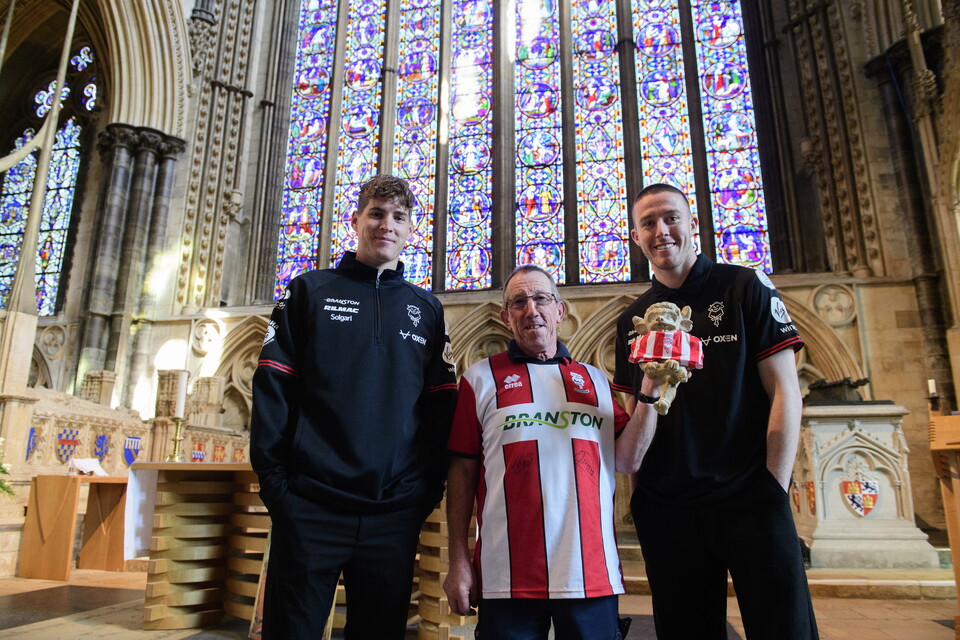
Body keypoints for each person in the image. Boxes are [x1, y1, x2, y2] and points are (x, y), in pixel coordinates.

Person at [250, 174, 458, 639]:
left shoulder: (426, 308)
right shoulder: (309, 291)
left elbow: (440, 406)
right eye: (377, 214)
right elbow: (272, 389)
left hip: (392, 513)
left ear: (411, 230)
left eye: (398, 217)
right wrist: (278, 488)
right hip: (309, 506)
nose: (387, 225)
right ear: (356, 221)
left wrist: (423, 491)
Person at [612, 183, 819, 639]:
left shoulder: (744, 286)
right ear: (635, 236)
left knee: (784, 629)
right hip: (670, 509)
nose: (661, 231)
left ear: (693, 224)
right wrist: (642, 500)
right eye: (648, 223)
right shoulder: (632, 320)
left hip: (750, 497)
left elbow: (786, 391)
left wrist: (772, 486)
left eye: (670, 217)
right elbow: (634, 416)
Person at [444, 264, 651, 639]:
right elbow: (462, 473)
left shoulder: (595, 381)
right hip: (506, 574)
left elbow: (628, 459)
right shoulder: (478, 379)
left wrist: (651, 393)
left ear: (560, 310)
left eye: (541, 298)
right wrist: (457, 556)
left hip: (590, 572)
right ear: (506, 318)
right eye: (519, 302)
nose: (531, 309)